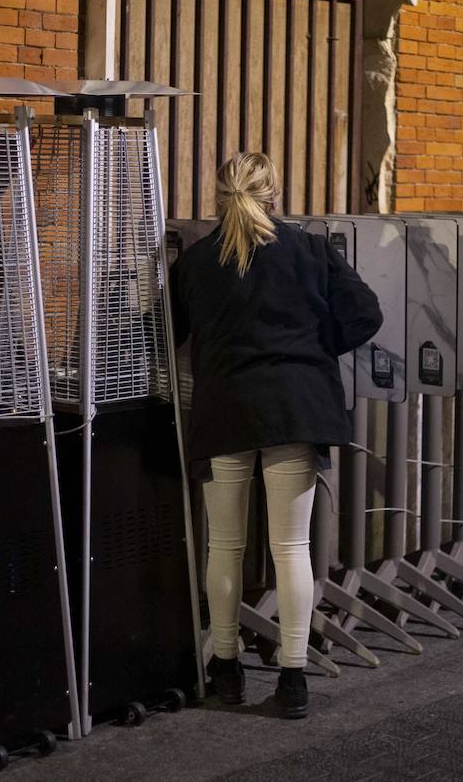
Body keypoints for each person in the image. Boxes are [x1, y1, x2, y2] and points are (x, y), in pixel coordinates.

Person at [169, 152, 383, 719]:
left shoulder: (197, 261)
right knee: (291, 549)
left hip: (224, 412)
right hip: (295, 407)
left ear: (218, 200)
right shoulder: (309, 249)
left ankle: (227, 669)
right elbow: (366, 313)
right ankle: (292, 679)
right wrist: (312, 350)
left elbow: (166, 328)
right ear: (274, 196)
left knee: (225, 546)